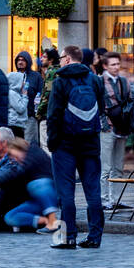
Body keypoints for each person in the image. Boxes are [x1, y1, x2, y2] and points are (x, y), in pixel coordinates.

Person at [45, 44, 107, 249]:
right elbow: (102, 108)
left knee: (66, 192)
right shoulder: (96, 80)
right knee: (93, 191)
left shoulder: (60, 81)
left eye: (62, 57)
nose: (60, 60)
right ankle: (95, 237)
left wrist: (52, 142)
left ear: (68, 59)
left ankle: (68, 237)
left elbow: (53, 115)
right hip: (90, 143)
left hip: (65, 144)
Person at [0, 136, 60, 234]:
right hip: (37, 202)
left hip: (52, 193)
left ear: (19, 148)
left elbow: (19, 171)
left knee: (36, 184)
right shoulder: (22, 164)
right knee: (10, 217)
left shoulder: (34, 152)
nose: (14, 159)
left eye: (14, 155)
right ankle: (46, 221)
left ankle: (53, 221)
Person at [100, 52, 132, 211]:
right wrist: (102, 123)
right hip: (106, 127)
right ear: (105, 66)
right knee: (105, 166)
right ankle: (104, 200)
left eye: (118, 64)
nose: (116, 67)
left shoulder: (123, 81)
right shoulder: (99, 81)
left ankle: (116, 199)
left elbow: (128, 100)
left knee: (118, 165)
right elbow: (97, 105)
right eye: (113, 64)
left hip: (121, 126)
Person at [13, 52, 44, 147]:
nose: (20, 62)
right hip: (15, 117)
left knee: (29, 145)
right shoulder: (13, 76)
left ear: (28, 62)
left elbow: (41, 93)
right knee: (16, 146)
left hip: (30, 116)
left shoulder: (36, 76)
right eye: (18, 60)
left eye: (23, 60)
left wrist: (36, 111)